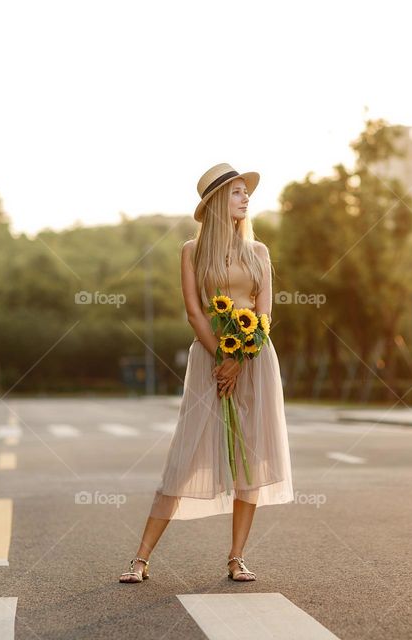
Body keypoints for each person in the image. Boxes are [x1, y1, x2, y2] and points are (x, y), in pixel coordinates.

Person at [119, 163, 294, 584]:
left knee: (250, 458)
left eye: (245, 192)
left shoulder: (260, 252)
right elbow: (194, 312)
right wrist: (222, 356)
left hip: (254, 361)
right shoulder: (191, 251)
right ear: (217, 202)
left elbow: (265, 312)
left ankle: (236, 558)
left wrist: (241, 356)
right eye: (236, 192)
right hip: (210, 364)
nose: (245, 197)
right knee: (184, 454)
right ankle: (140, 559)